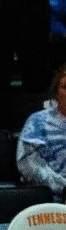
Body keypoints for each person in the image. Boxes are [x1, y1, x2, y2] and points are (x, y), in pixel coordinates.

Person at [16, 64, 66, 194]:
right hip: (51, 196)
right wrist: (63, 186)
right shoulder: (37, 122)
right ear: (56, 92)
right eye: (65, 87)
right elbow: (28, 164)